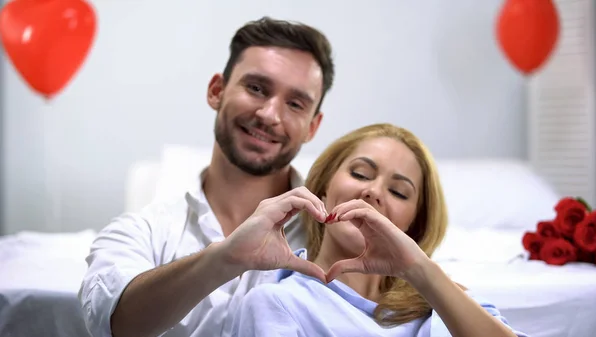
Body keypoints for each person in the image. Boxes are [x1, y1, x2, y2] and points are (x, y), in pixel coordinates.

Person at [78, 17, 335, 337]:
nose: (269, 115)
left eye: (295, 104)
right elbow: (117, 323)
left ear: (312, 126)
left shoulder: (334, 240)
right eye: (256, 88)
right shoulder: (142, 231)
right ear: (217, 91)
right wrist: (225, 258)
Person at [230, 123, 528, 337]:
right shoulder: (277, 303)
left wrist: (425, 275)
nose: (373, 192)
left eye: (399, 192)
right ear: (321, 193)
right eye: (360, 173)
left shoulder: (449, 302)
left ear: (413, 226)